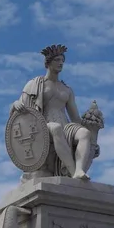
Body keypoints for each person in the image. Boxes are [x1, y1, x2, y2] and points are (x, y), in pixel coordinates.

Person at [10, 44, 93, 180]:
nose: (61, 63)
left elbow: (75, 118)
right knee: (56, 128)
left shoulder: (67, 90)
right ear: (48, 63)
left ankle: (79, 170)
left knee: (84, 133)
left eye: (62, 60)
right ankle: (73, 173)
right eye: (57, 60)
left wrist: (90, 125)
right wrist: (15, 104)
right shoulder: (35, 84)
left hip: (65, 125)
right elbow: (22, 111)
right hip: (41, 124)